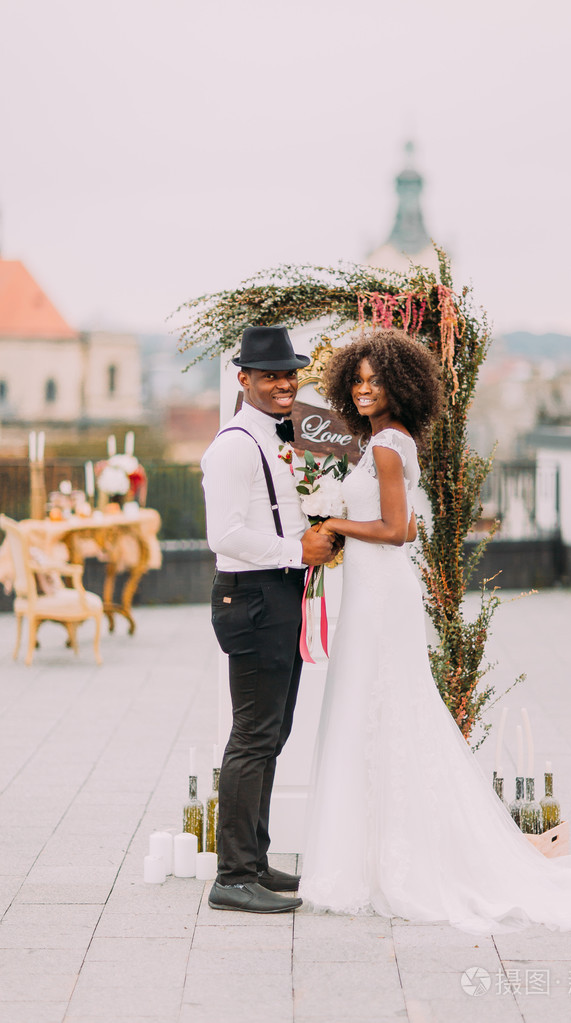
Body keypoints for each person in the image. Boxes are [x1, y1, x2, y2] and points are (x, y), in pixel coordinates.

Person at [299, 327, 571, 934]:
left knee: (377, 705)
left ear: (398, 385)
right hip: (373, 589)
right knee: (379, 707)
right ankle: (376, 853)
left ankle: (379, 861)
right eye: (356, 380)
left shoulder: (387, 444)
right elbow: (404, 526)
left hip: (380, 592)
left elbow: (395, 531)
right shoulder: (388, 440)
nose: (363, 389)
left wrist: (332, 521)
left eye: (375, 380)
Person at [201, 325, 334, 914]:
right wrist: (296, 550)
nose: (284, 384)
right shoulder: (234, 445)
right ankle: (232, 877)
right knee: (253, 736)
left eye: (289, 374)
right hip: (252, 596)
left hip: (277, 593)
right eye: (270, 375)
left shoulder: (276, 435)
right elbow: (224, 536)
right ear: (244, 379)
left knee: (271, 734)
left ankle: (253, 861)